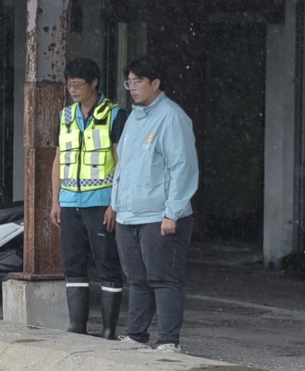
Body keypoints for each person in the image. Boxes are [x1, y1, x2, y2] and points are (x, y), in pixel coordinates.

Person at [110, 55, 198, 352]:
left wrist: (172, 212)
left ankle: (168, 341)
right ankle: (136, 335)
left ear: (156, 84)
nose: (132, 88)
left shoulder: (172, 118)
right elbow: (122, 165)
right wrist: (115, 204)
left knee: (163, 278)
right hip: (129, 214)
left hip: (160, 215)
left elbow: (181, 167)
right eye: (129, 82)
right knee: (137, 279)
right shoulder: (134, 117)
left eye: (137, 82)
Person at [50, 57, 127, 337]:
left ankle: (108, 330)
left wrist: (115, 204)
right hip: (70, 204)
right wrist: (55, 201)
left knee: (107, 264)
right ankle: (77, 326)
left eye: (78, 84)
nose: (73, 89)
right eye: (69, 84)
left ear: (94, 83)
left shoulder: (115, 115)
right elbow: (59, 160)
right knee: (72, 265)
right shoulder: (65, 116)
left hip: (101, 203)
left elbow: (122, 163)